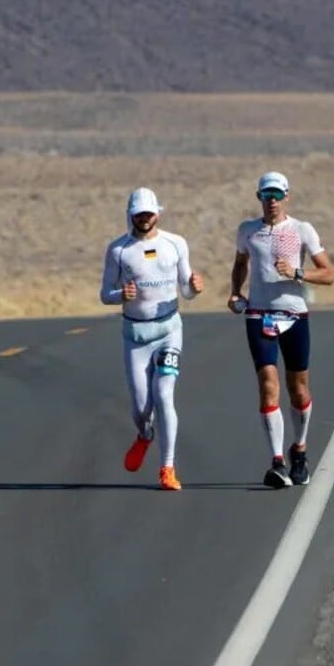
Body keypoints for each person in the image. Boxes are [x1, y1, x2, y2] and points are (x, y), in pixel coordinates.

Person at [228, 171, 334, 489]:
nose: (271, 200)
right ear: (258, 197)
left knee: (299, 389)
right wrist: (236, 292)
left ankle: (298, 451)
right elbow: (240, 263)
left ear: (286, 196)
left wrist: (298, 272)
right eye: (266, 195)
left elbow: (329, 274)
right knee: (268, 383)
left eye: (277, 195)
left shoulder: (302, 230)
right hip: (259, 315)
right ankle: (277, 462)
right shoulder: (248, 231)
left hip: (294, 316)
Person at [100, 186, 203, 491]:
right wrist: (121, 295)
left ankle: (167, 468)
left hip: (169, 330)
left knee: (164, 394)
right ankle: (145, 435)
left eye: (149, 213)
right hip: (136, 336)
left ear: (158, 213)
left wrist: (194, 288)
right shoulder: (119, 250)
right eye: (139, 214)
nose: (145, 218)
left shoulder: (175, 244)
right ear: (131, 215)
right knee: (141, 408)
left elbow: (185, 289)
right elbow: (105, 294)